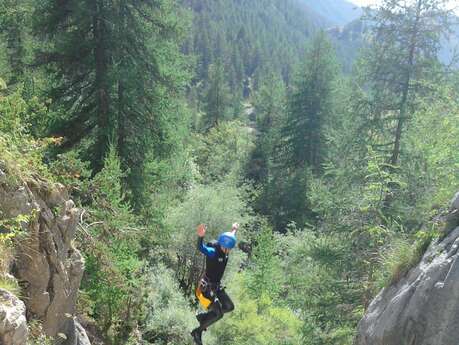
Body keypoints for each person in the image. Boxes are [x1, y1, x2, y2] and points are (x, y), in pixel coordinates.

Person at [191, 222, 238, 345]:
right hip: (207, 288)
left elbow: (230, 237)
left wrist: (233, 229)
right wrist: (200, 236)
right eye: (226, 248)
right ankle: (197, 331)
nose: (227, 251)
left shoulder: (226, 246)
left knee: (229, 307)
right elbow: (201, 248)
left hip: (217, 286)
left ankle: (203, 317)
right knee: (218, 314)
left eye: (229, 249)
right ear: (222, 244)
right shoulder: (213, 251)